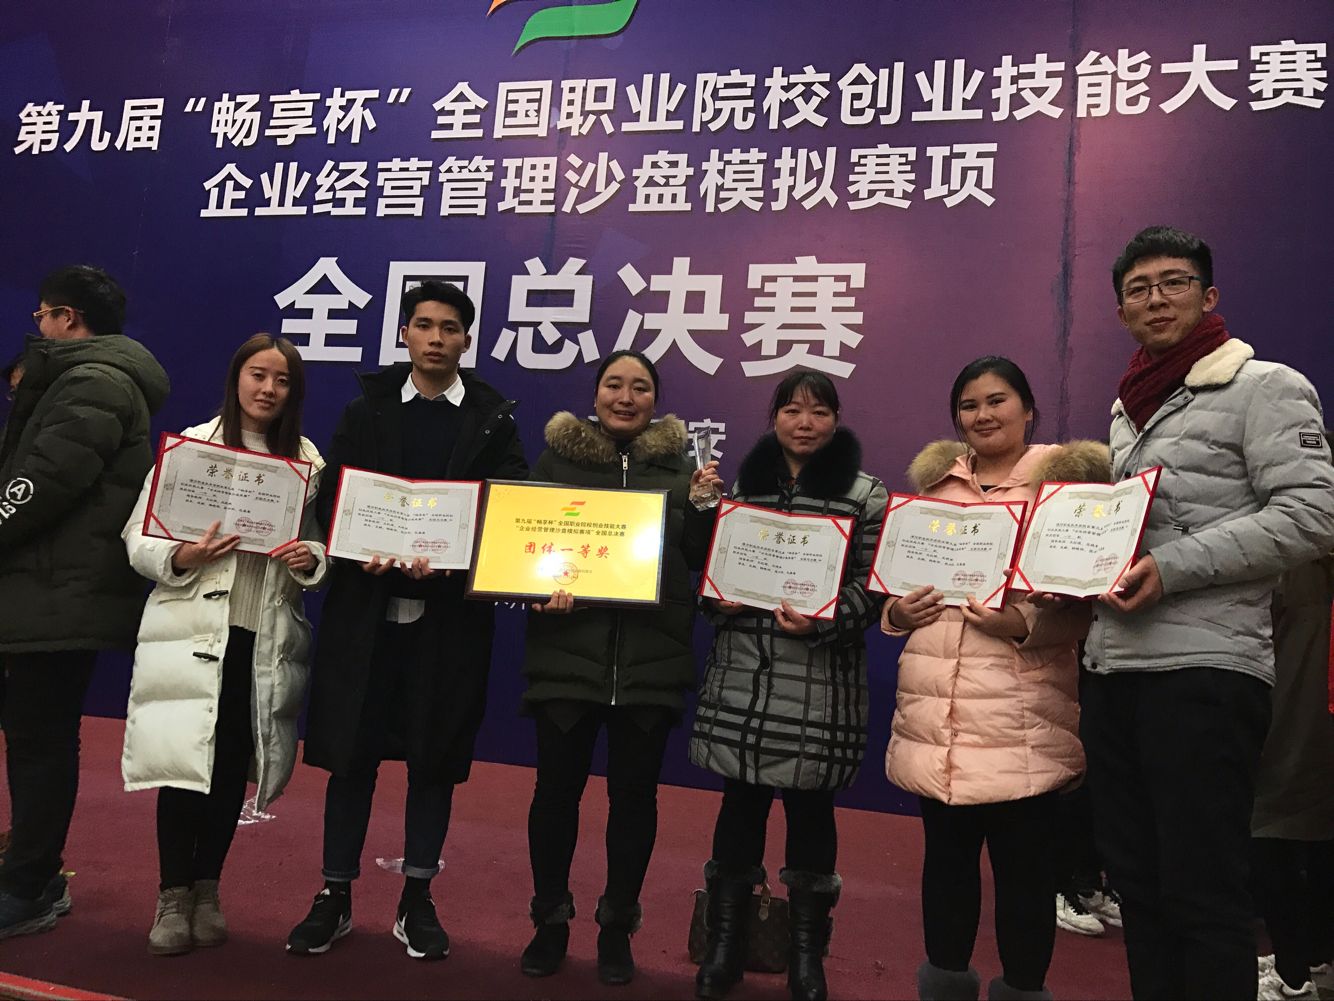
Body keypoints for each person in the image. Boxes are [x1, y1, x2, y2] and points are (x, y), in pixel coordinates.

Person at [1080, 226, 1334, 1000]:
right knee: (1139, 887)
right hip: (1115, 668)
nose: (1156, 298)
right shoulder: (1127, 406)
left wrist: (1172, 568)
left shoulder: (1266, 386)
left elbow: (1313, 515)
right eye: (1139, 288)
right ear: (1122, 310)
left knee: (1205, 891)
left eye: (1175, 282)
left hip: (1207, 673)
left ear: (1209, 295)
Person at [286, 280, 527, 961]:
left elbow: (508, 506)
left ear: (466, 340)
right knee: (351, 757)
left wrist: (454, 559)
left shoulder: (492, 419)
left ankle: (417, 896)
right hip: (364, 614)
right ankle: (334, 893)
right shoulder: (366, 408)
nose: (435, 338)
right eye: (423, 325)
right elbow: (333, 497)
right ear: (404, 334)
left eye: (449, 328)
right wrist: (359, 544)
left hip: (448, 623)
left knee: (434, 760)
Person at [881, 356, 1108, 1001]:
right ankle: (945, 986)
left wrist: (1022, 624)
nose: (982, 415)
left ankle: (1023, 988)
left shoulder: (1065, 490)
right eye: (969, 405)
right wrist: (897, 612)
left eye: (997, 400)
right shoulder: (935, 490)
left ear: (1028, 409)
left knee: (1025, 879)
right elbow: (895, 589)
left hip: (1021, 719)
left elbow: (1087, 606)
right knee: (946, 871)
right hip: (936, 716)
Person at [517, 350, 723, 985]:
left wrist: (705, 509)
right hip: (566, 655)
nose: (625, 397)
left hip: (649, 661)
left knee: (634, 801)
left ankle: (616, 927)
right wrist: (536, 587)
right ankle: (550, 921)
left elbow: (697, 559)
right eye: (614, 385)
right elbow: (524, 548)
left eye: (640, 387)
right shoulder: (556, 463)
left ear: (655, 401)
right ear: (595, 394)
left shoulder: (682, 469)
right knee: (555, 796)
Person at [121, 334, 327, 955]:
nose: (268, 389)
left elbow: (316, 545)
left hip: (260, 636)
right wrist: (182, 554)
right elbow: (138, 538)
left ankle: (208, 889)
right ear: (237, 378)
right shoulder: (191, 449)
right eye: (258, 375)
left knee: (232, 766)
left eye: (282, 380)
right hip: (190, 630)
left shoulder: (306, 463)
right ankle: (172, 895)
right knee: (184, 767)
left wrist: (308, 557)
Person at [690, 370, 887, 1001]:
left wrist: (827, 618)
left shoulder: (866, 494)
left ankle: (807, 957)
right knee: (738, 810)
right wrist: (717, 599)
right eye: (792, 410)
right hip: (744, 675)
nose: (805, 423)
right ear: (773, 416)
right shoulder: (741, 488)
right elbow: (713, 570)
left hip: (821, 684)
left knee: (812, 815)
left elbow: (876, 585)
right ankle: (726, 946)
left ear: (837, 419)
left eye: (819, 411)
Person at [0, 265, 169, 939]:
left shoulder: (94, 381)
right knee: (34, 737)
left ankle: (32, 883)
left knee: (40, 741)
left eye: (41, 316)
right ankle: (26, 866)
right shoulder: (86, 378)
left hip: (59, 594)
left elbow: (42, 482)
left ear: (66, 318)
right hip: (44, 589)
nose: (37, 328)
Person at [1251, 430, 1334, 1001]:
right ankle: (1312, 962)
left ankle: (1293, 971)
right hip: (1304, 709)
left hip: (1296, 713)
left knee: (1274, 828)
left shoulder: (1294, 547)